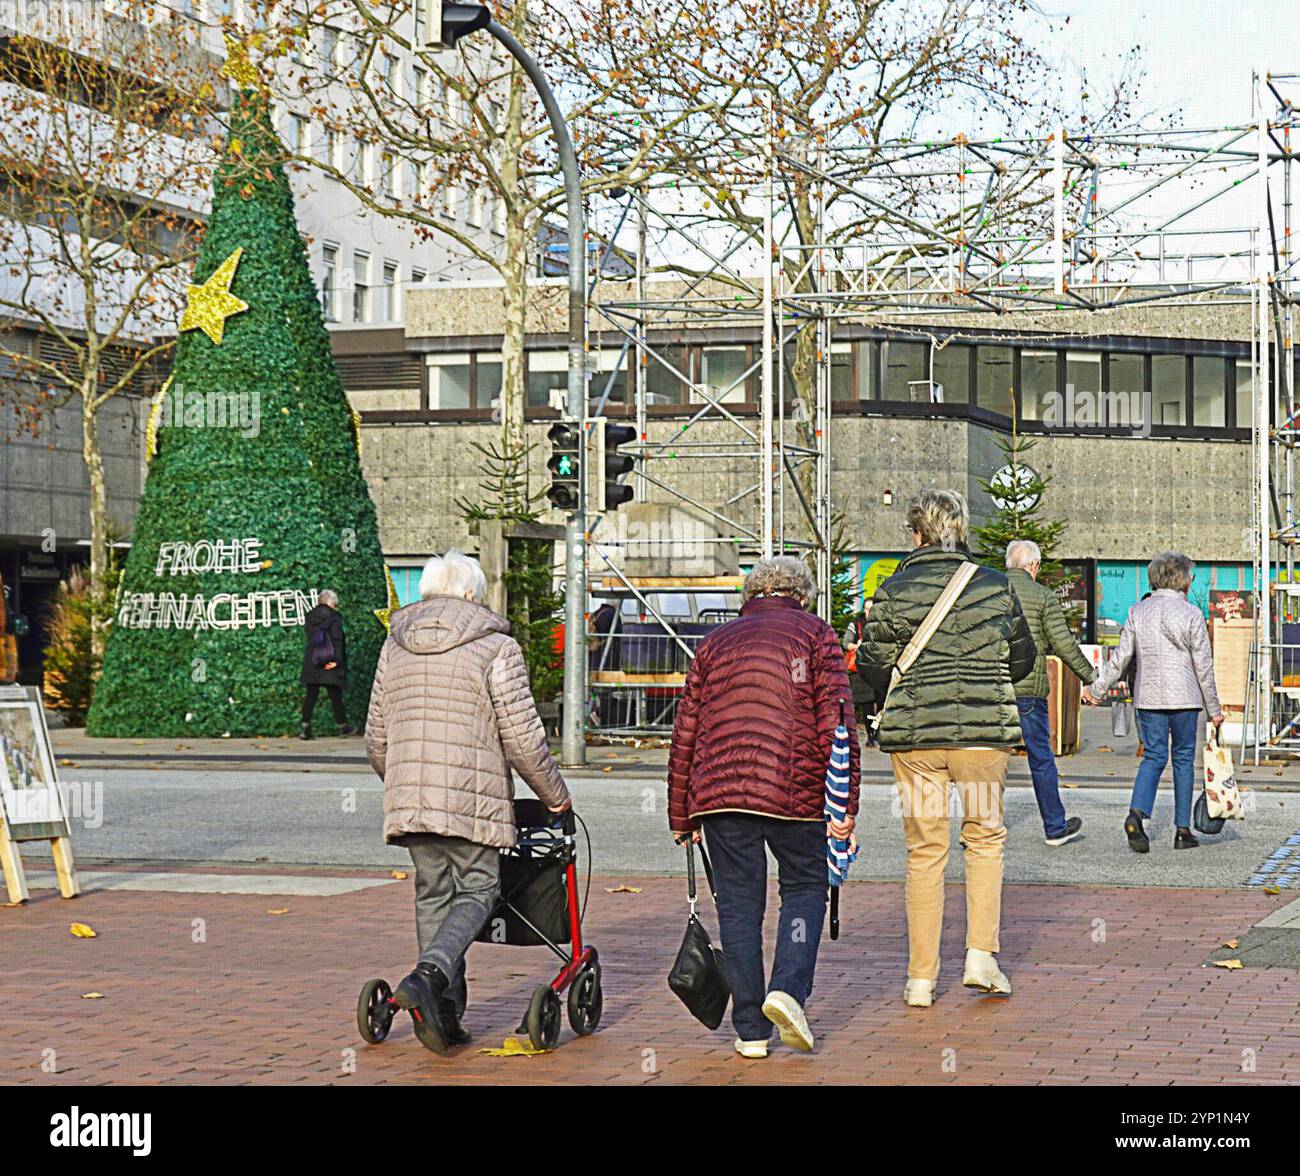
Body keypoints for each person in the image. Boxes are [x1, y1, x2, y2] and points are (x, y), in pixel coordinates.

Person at [365, 550, 571, 1052]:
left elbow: (376, 737)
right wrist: (555, 796)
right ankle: (430, 976)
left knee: (433, 892)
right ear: (472, 594)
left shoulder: (395, 645)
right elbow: (522, 737)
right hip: (470, 800)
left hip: (411, 799)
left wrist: (402, 783)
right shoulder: (496, 646)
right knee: (479, 888)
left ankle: (444, 1014)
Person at [668, 555, 859, 1059]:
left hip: (720, 794)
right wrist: (845, 807)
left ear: (750, 595)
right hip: (794, 792)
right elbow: (837, 727)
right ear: (803, 595)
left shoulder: (713, 643)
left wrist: (681, 814)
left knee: (737, 904)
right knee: (803, 887)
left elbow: (684, 732)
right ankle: (788, 990)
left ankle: (750, 1028)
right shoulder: (816, 636)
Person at [858, 490, 1036, 1009]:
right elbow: (1022, 659)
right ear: (959, 531)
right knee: (983, 839)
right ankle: (981, 955)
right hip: (982, 734)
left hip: (916, 737)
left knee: (925, 851)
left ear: (916, 534)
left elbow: (871, 665)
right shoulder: (996, 585)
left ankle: (920, 978)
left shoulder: (894, 588)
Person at [1084, 552, 1224, 853]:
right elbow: (1204, 666)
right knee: (1184, 759)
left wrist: (1096, 690)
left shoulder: (1137, 611)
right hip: (1185, 699)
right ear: (1182, 578)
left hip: (1148, 698)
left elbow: (1120, 659)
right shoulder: (1191, 615)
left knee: (1153, 756)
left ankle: (1136, 813)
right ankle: (1182, 831)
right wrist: (1215, 710)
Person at [1004, 539, 1095, 846]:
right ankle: (1054, 827)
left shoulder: (988, 592)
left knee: (987, 762)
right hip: (1029, 691)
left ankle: (977, 830)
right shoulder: (1042, 596)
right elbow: (1063, 643)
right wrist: (1090, 677)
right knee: (1041, 758)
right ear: (1033, 565)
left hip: (993, 690)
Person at [300, 589, 354, 738]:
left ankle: (305, 726)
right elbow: (337, 639)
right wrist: (337, 660)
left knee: (311, 694)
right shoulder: (334, 617)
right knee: (335, 694)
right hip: (329, 660)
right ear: (331, 602)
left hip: (314, 660)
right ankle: (342, 726)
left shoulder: (310, 617)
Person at [841, 606, 879, 743]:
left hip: (879, 668)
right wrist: (858, 645)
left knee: (881, 703)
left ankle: (878, 732)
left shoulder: (882, 623)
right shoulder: (857, 623)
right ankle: (871, 735)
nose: (870, 612)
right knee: (867, 704)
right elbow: (846, 644)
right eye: (868, 609)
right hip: (861, 670)